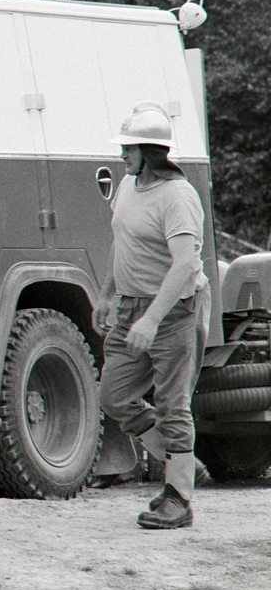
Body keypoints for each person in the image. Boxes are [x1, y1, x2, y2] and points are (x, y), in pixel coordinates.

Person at [92, 102, 210, 529]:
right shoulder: (128, 186)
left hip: (173, 310)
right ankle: (183, 463)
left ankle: (179, 499)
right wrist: (107, 294)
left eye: (129, 148)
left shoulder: (177, 197)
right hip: (130, 307)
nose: (122, 155)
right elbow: (121, 242)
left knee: (172, 404)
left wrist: (152, 320)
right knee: (114, 396)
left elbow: (184, 266)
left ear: (152, 151)